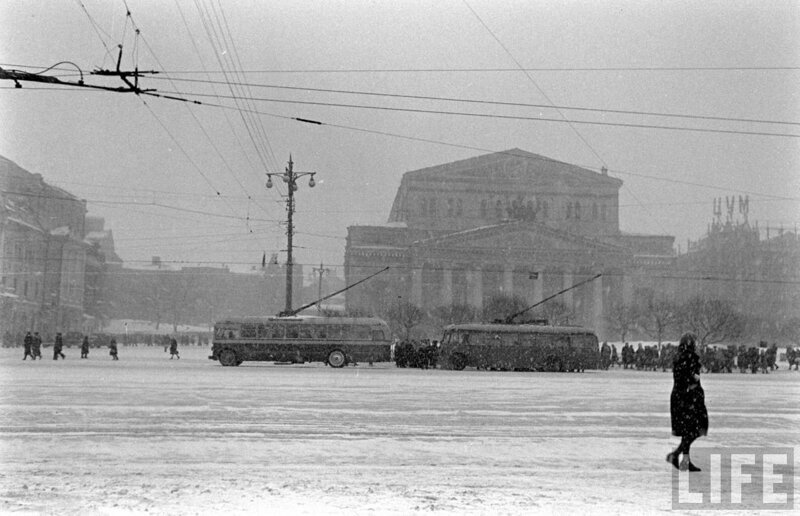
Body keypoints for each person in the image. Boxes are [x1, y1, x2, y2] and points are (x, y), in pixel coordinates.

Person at [667, 332, 708, 472]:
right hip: (687, 398)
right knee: (693, 430)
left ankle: (681, 458)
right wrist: (693, 379)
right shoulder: (686, 358)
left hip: (685, 397)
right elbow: (684, 377)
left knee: (690, 430)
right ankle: (679, 457)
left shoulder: (683, 357)